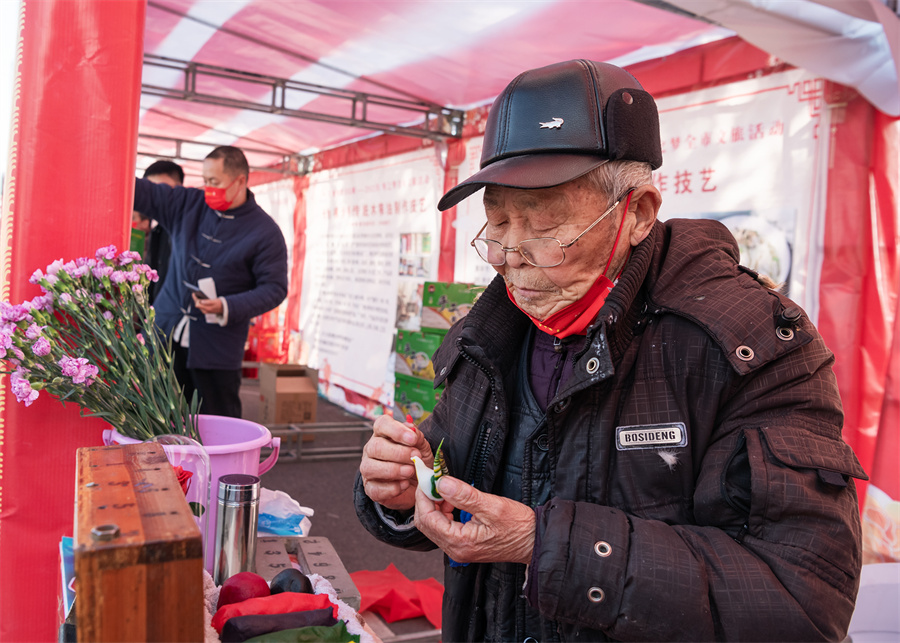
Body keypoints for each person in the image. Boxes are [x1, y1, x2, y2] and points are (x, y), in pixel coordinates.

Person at [355, 60, 867, 641]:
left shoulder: (749, 344)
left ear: (638, 213)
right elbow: (459, 477)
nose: (509, 256)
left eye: (545, 226)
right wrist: (403, 489)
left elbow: (802, 597)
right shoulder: (493, 328)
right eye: (497, 222)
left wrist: (541, 543)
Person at [134, 145, 288, 418]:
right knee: (156, 418)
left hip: (217, 348)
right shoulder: (187, 203)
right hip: (164, 334)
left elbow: (274, 288)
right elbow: (142, 192)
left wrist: (227, 305)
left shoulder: (265, 232)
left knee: (216, 424)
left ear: (240, 180)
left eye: (214, 182)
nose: (208, 188)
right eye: (205, 181)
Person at [133, 159, 184, 303]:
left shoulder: (189, 230)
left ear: (180, 189)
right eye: (152, 191)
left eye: (162, 190)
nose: (157, 196)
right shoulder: (157, 230)